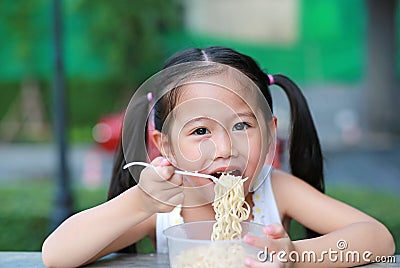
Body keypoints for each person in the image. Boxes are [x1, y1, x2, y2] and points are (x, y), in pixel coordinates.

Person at [42, 46, 395, 267]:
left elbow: (378, 239)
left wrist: (295, 257)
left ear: (271, 132)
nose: (225, 148)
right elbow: (57, 255)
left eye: (242, 126)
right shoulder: (165, 208)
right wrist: (139, 202)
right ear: (165, 146)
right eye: (200, 131)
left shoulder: (277, 191)